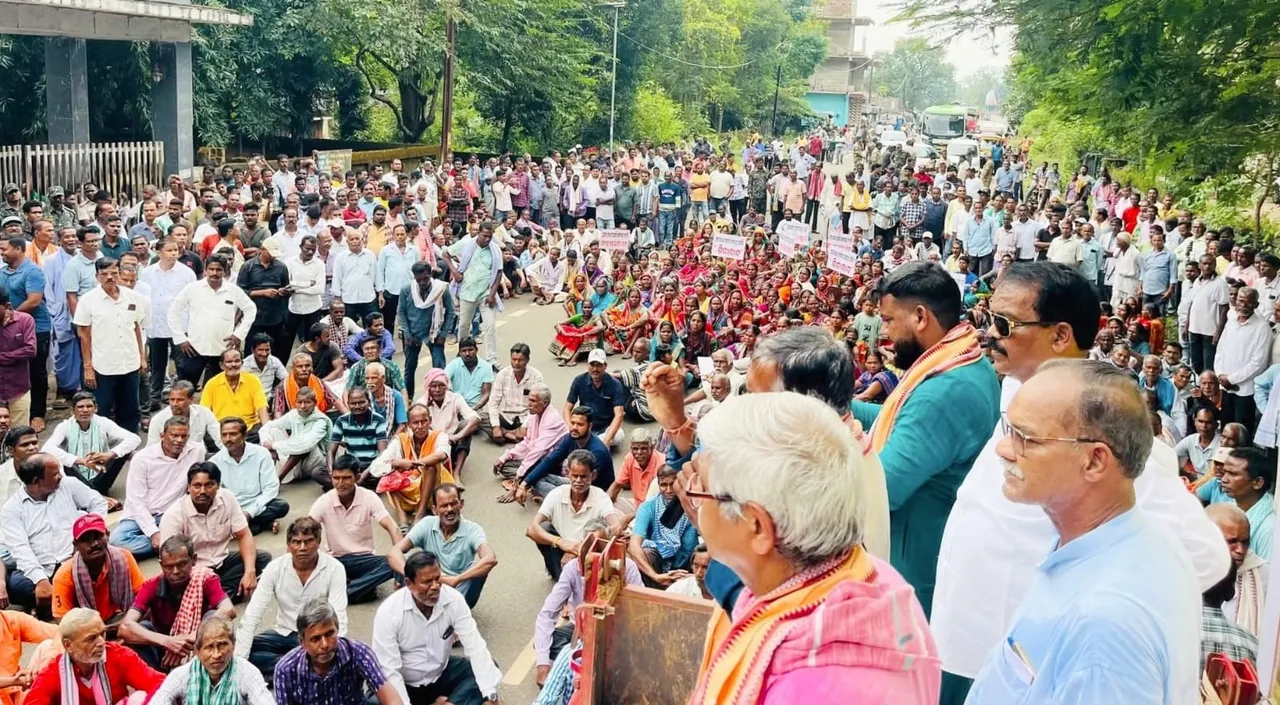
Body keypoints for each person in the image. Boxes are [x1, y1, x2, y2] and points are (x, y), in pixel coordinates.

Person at [931, 262, 1229, 703]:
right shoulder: (1021, 388)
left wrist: (1080, 599)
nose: (987, 333)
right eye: (984, 317)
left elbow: (1204, 555)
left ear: (1060, 336)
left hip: (1039, 661)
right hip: (986, 645)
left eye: (1004, 324)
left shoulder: (1098, 423)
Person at [964, 360, 1200, 704]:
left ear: (1094, 461)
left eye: (1025, 438)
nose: (1003, 449)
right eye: (1007, 429)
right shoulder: (1121, 541)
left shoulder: (1105, 626)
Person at [686, 392, 940, 705]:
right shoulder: (875, 578)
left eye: (703, 488)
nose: (693, 493)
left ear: (756, 526)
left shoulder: (815, 690)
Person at [849, 262, 999, 617]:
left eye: (888, 321)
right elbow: (898, 419)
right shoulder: (961, 360)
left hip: (917, 570)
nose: (884, 334)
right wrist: (835, 408)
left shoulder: (945, 389)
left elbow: (880, 489)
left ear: (920, 317)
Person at [371, 551, 503, 705]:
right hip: (405, 684)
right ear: (408, 583)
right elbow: (389, 670)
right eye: (427, 582)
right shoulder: (389, 612)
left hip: (440, 675)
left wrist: (490, 696)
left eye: (438, 579)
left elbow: (476, 647)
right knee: (371, 701)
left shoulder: (453, 600)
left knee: (488, 670)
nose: (435, 587)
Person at [532, 518, 643, 686]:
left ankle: (591, 662)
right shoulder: (572, 568)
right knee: (544, 643)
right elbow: (547, 614)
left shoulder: (628, 567)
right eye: (589, 548)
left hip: (618, 633)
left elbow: (641, 610)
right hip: (582, 631)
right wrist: (542, 666)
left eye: (600, 547)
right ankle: (588, 661)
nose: (594, 555)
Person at [236, 518, 348, 680]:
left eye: (308, 541)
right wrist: (240, 665)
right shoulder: (274, 569)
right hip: (283, 633)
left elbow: (339, 616)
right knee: (238, 649)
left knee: (326, 653)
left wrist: (336, 654)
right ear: (289, 544)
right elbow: (252, 615)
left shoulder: (335, 568)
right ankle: (302, 669)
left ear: (318, 542)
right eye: (296, 542)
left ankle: (288, 670)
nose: (302, 548)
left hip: (316, 636)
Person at [1, 452, 108, 617]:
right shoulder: (12, 509)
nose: (60, 476)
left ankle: (54, 604)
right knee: (16, 585)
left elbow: (98, 502)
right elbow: (20, 549)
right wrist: (40, 581)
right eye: (55, 474)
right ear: (37, 481)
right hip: (44, 568)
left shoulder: (69, 484)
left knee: (103, 559)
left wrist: (91, 533)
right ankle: (67, 599)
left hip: (77, 558)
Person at [119, 535, 238, 672]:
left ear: (193, 560)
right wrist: (168, 642)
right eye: (169, 567)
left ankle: (207, 673)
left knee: (213, 617)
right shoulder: (151, 586)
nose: (175, 571)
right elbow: (125, 627)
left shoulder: (205, 579)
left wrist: (190, 638)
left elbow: (228, 610)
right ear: (161, 565)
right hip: (163, 652)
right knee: (141, 628)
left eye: (181, 564)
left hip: (198, 646)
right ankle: (155, 681)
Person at [159, 462, 272, 602]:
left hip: (221, 561)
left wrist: (249, 572)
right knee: (175, 589)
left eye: (209, 485)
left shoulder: (227, 498)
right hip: (193, 573)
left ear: (218, 485)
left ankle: (214, 597)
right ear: (188, 487)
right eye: (197, 485)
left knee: (262, 559)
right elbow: (172, 562)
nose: (202, 491)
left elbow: (244, 535)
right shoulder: (174, 515)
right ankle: (220, 595)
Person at [308, 457, 402, 603]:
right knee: (317, 567)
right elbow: (304, 530)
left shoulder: (369, 497)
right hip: (335, 560)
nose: (340, 483)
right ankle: (360, 588)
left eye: (346, 478)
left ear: (357, 477)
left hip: (363, 558)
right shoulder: (325, 501)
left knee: (394, 563)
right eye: (336, 478)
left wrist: (400, 562)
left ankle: (345, 591)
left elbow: (393, 528)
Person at [110, 417, 206, 560]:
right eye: (174, 435)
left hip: (173, 513)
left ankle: (168, 546)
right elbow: (136, 501)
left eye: (184, 436)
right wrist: (153, 533)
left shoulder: (196, 451)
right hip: (139, 515)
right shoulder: (142, 458)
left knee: (203, 532)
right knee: (117, 541)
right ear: (162, 436)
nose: (179, 440)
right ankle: (174, 547)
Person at [272, 598, 400, 705]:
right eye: (315, 639)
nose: (325, 645)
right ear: (302, 642)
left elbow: (391, 699)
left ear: (337, 629)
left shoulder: (359, 652)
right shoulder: (285, 669)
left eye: (329, 634)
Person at [25, 608, 165, 705]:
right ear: (68, 645)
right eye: (91, 638)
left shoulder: (118, 655)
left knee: (140, 699)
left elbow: (160, 684)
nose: (101, 643)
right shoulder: (53, 673)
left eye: (102, 633)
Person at [389, 484, 496, 609]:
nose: (449, 509)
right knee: (406, 558)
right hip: (427, 583)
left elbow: (490, 559)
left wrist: (456, 579)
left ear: (461, 504)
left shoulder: (473, 529)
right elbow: (394, 552)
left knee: (479, 568)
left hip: (456, 589)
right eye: (444, 505)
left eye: (453, 504)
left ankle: (453, 612)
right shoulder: (427, 524)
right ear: (435, 510)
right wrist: (413, 574)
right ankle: (409, 599)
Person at [526, 449, 624, 580]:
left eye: (583, 476)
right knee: (543, 528)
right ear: (567, 474)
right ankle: (561, 576)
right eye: (575, 476)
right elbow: (531, 529)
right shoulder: (556, 494)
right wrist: (561, 543)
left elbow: (613, 526)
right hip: (563, 548)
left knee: (600, 532)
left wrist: (578, 550)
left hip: (587, 553)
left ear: (593, 475)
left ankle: (574, 580)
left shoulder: (600, 497)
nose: (578, 481)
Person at [168, 254, 256, 388]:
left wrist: (239, 334)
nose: (214, 273)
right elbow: (173, 311)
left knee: (219, 388)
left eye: (219, 270)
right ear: (205, 269)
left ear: (225, 271)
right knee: (185, 388)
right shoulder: (193, 288)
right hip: (194, 347)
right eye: (211, 269)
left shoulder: (233, 290)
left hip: (222, 348)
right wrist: (180, 338)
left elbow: (251, 309)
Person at [51, 514, 146, 632]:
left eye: (98, 536)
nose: (94, 544)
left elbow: (144, 599)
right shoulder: (63, 576)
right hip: (84, 631)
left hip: (119, 621)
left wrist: (120, 625)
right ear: (75, 546)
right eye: (86, 540)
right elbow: (63, 622)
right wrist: (98, 632)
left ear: (107, 535)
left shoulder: (124, 557)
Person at [149, 616, 274, 705]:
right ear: (197, 651)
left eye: (222, 645)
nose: (217, 654)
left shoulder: (247, 673)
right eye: (209, 647)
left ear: (233, 645)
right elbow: (160, 699)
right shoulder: (181, 676)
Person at [43, 391, 140, 505]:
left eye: (89, 406)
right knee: (61, 460)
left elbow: (135, 439)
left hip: (100, 471)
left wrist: (109, 454)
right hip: (76, 477)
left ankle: (93, 495)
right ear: (72, 411)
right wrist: (81, 461)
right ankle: (99, 497)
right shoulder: (64, 426)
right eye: (80, 407)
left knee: (125, 451)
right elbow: (46, 448)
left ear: (96, 409)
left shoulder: (103, 422)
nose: (85, 410)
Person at [368, 404, 454, 528]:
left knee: (430, 466)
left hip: (434, 489)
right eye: (415, 423)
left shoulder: (439, 436)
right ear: (408, 424)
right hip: (408, 490)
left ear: (429, 421)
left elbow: (442, 454)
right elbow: (376, 467)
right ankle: (401, 516)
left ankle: (421, 512)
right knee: (389, 470)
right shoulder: (400, 440)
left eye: (424, 422)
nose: (420, 426)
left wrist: (414, 464)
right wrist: (396, 463)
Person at [518, 406, 614, 502]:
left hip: (593, 488)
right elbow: (549, 460)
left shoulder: (597, 451)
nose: (574, 428)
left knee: (542, 482)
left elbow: (585, 484)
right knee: (536, 477)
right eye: (572, 423)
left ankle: (559, 503)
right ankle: (557, 500)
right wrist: (523, 485)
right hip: (576, 479)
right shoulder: (570, 438)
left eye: (580, 424)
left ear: (589, 426)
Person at [210, 418, 289, 535]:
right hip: (231, 508)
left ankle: (241, 527)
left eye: (233, 434)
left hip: (258, 503)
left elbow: (271, 488)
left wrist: (249, 512)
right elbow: (217, 495)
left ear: (244, 435)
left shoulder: (261, 454)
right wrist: (236, 512)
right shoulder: (215, 461)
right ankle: (262, 525)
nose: (228, 439)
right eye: (224, 435)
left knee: (281, 506)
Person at [627, 465, 699, 588]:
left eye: (673, 484)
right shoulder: (649, 507)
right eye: (664, 485)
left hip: (685, 562)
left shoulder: (691, 504)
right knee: (645, 554)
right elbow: (633, 546)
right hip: (657, 563)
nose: (669, 490)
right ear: (658, 484)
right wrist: (655, 576)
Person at [1214, 286, 1272, 435]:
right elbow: (1221, 349)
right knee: (1226, 429)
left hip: (1245, 390)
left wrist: (1232, 379)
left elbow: (1258, 363)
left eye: (1248, 302)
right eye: (1240, 301)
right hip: (1225, 386)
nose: (1243, 306)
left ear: (1256, 305)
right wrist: (1220, 374)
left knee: (1240, 433)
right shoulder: (1231, 319)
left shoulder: (1262, 327)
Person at [444, 222, 503, 363]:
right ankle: (462, 355)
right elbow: (445, 254)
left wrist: (492, 294)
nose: (487, 239)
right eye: (484, 236)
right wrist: (455, 272)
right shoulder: (465, 244)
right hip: (467, 292)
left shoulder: (495, 249)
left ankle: (492, 359)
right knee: (464, 325)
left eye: (490, 236)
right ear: (478, 233)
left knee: (490, 327)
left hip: (486, 293)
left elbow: (499, 272)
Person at [1206, 503, 1268, 637]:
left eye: (1245, 542)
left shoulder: (1264, 574)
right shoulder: (1188, 571)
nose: (1240, 550)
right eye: (1232, 541)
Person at [399, 262, 454, 397]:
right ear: (414, 277)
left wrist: (443, 333)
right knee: (409, 368)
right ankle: (409, 398)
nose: (422, 282)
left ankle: (441, 397)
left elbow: (451, 312)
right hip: (413, 333)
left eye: (425, 278)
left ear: (430, 274)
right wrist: (407, 333)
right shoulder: (406, 290)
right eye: (419, 280)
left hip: (434, 333)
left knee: (439, 368)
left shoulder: (441, 289)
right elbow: (401, 312)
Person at [261, 386, 333, 486]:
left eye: (307, 402)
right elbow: (267, 426)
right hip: (293, 458)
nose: (303, 406)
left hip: (314, 462)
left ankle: (279, 478)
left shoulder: (321, 421)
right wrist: (269, 447)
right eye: (299, 402)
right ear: (295, 402)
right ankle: (271, 471)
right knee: (274, 429)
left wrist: (274, 445)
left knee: (303, 445)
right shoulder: (293, 414)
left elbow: (305, 444)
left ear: (315, 403)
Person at [416, 369, 481, 479]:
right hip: (432, 444)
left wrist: (457, 436)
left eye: (441, 385)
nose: (437, 389)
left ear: (446, 386)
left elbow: (475, 418)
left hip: (453, 441)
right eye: (433, 386)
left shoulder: (455, 398)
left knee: (467, 425)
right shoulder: (421, 403)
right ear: (428, 388)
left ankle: (456, 473)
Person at [1218, 446, 1275, 561]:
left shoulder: (1270, 528)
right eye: (1224, 473)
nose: (1224, 479)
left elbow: (1267, 575)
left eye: (1233, 474)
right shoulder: (1231, 505)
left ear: (1258, 482)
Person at [201, 349, 270, 439]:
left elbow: (262, 408)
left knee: (261, 435)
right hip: (221, 430)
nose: (233, 364)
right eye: (229, 362)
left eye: (237, 361)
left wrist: (267, 430)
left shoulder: (253, 380)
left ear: (242, 363)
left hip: (248, 429)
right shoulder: (212, 383)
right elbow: (204, 411)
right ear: (221, 365)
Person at [565, 348, 626, 448]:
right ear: (587, 365)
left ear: (605, 366)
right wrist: (570, 427)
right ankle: (592, 446)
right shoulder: (579, 380)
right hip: (583, 425)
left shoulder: (615, 384)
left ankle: (588, 445)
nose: (595, 369)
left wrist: (607, 439)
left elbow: (619, 415)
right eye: (592, 365)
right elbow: (567, 408)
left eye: (598, 365)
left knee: (619, 436)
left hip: (605, 428)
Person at [485, 343, 543, 444]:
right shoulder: (502, 374)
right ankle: (510, 435)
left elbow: (536, 405)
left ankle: (506, 435)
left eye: (520, 360)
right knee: (480, 417)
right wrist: (495, 426)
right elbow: (494, 401)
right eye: (514, 359)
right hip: (506, 417)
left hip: (525, 417)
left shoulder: (536, 376)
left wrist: (525, 426)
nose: (516, 363)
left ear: (527, 360)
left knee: (543, 422)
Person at [0, 605, 58, 704]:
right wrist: (16, 681)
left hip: (18, 692)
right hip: (12, 685)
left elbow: (62, 632)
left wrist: (47, 660)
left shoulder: (10, 619)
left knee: (48, 647)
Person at [328, 387, 389, 479]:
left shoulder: (378, 420)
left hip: (372, 464)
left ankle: (350, 484)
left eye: (361, 402)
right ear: (348, 404)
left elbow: (382, 453)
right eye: (353, 403)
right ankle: (350, 483)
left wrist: (364, 474)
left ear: (368, 401)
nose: (357, 406)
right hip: (350, 465)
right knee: (318, 472)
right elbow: (331, 451)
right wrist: (332, 473)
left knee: (388, 472)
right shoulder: (342, 420)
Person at [147, 381, 222, 452]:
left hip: (196, 458)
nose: (174, 404)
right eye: (172, 399)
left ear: (191, 400)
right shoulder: (158, 420)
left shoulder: (204, 413)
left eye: (180, 400)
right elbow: (151, 449)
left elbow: (220, 438)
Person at [606, 428, 661, 515]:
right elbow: (616, 486)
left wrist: (629, 518)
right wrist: (603, 506)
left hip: (655, 510)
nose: (639, 453)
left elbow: (658, 504)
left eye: (644, 448)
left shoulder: (661, 464)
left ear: (652, 447)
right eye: (635, 449)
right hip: (637, 504)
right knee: (607, 506)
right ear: (630, 448)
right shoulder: (629, 458)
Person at [0, 289, 34, 428]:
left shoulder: (24, 320)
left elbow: (30, 349)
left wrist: (2, 357)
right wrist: (14, 355)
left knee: (20, 433)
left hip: (18, 388)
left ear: (7, 306)